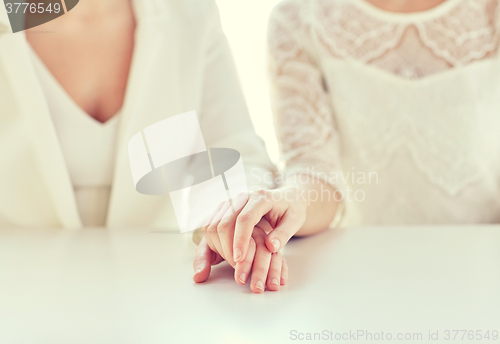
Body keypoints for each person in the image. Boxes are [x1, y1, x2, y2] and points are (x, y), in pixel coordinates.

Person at [194, 0, 500, 289]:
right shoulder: (299, 19)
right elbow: (314, 169)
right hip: (357, 276)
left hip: (484, 275)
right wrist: (289, 200)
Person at [0, 0, 282, 292]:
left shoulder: (190, 13)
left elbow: (239, 153)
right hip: (14, 294)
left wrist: (236, 216)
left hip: (158, 291)